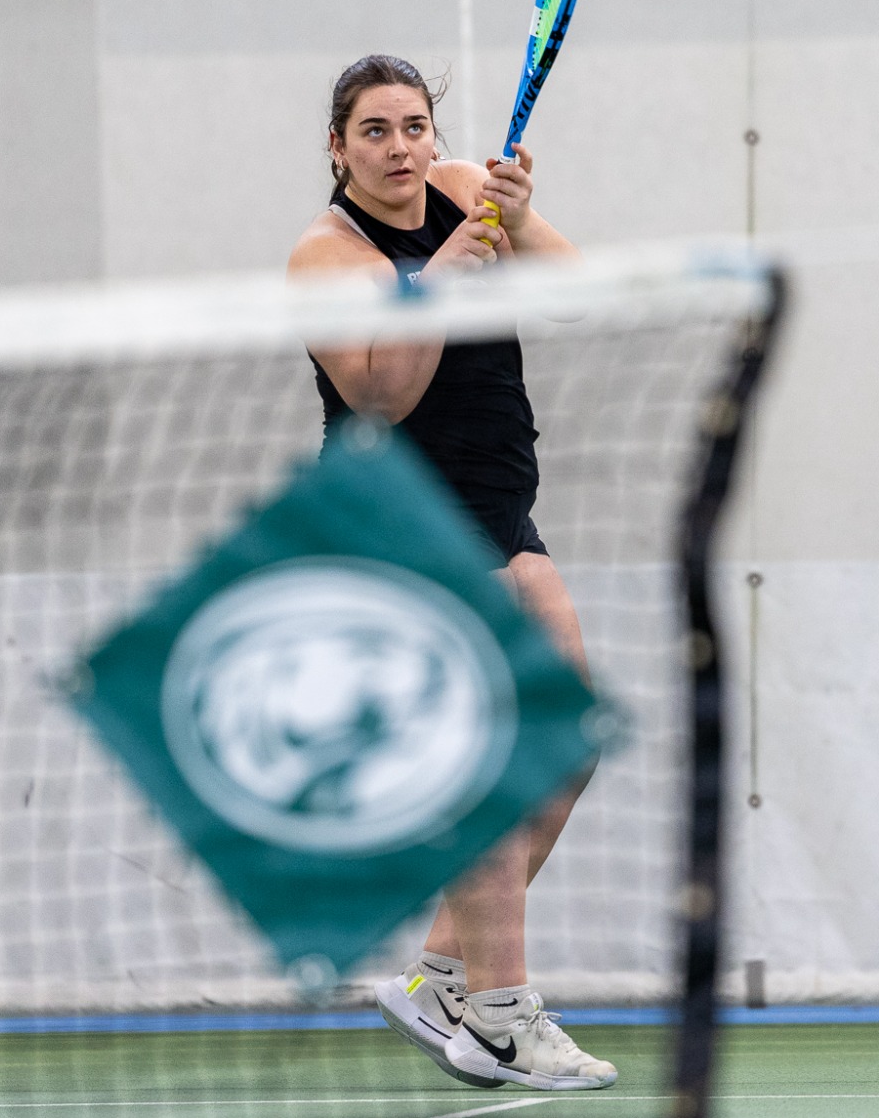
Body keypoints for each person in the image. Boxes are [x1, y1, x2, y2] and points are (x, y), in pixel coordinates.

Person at [285, 54, 617, 1092]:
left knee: (567, 745)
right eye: (374, 131)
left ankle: (439, 978)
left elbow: (573, 297)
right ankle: (503, 1013)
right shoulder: (326, 255)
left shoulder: (465, 192)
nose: (400, 148)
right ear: (336, 148)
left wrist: (517, 220)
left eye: (413, 126)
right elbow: (380, 398)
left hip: (497, 502)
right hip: (399, 515)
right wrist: (434, 291)